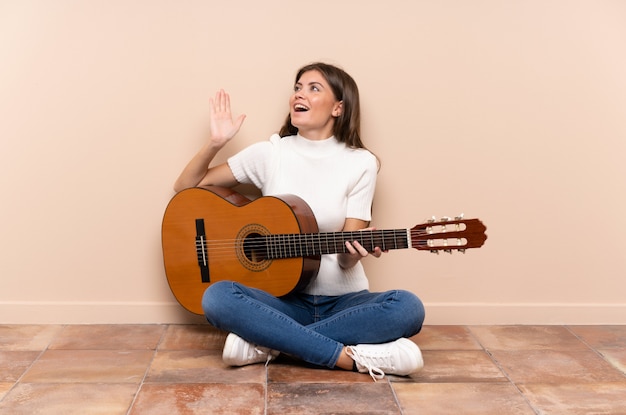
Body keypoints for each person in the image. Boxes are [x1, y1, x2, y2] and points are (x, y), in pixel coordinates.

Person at [173, 62, 425, 380]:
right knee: (216, 297)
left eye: (312, 88)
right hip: (282, 302)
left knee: (408, 307)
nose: (298, 95)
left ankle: (270, 344)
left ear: (339, 107)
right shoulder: (271, 153)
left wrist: (356, 249)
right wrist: (215, 142)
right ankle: (351, 359)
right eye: (297, 87)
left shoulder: (362, 163)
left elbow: (347, 259)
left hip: (345, 303)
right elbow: (186, 188)